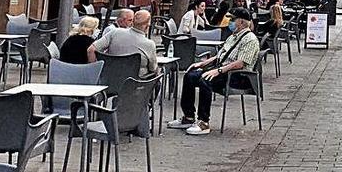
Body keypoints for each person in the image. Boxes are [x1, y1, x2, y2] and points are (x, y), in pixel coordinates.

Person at [166, 7, 262, 136]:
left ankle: (204, 122)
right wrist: (202, 63)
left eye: (233, 20)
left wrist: (219, 71)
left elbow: (241, 63)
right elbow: (221, 56)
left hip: (239, 76)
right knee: (190, 76)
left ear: (241, 22)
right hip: (224, 71)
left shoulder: (250, 39)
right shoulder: (233, 37)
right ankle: (188, 117)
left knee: (205, 80)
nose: (230, 22)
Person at [90, 9, 160, 77]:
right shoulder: (149, 44)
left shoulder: (115, 32)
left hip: (110, 80)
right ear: (147, 26)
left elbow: (91, 50)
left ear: (133, 22)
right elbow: (153, 69)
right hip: (137, 84)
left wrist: (95, 74)